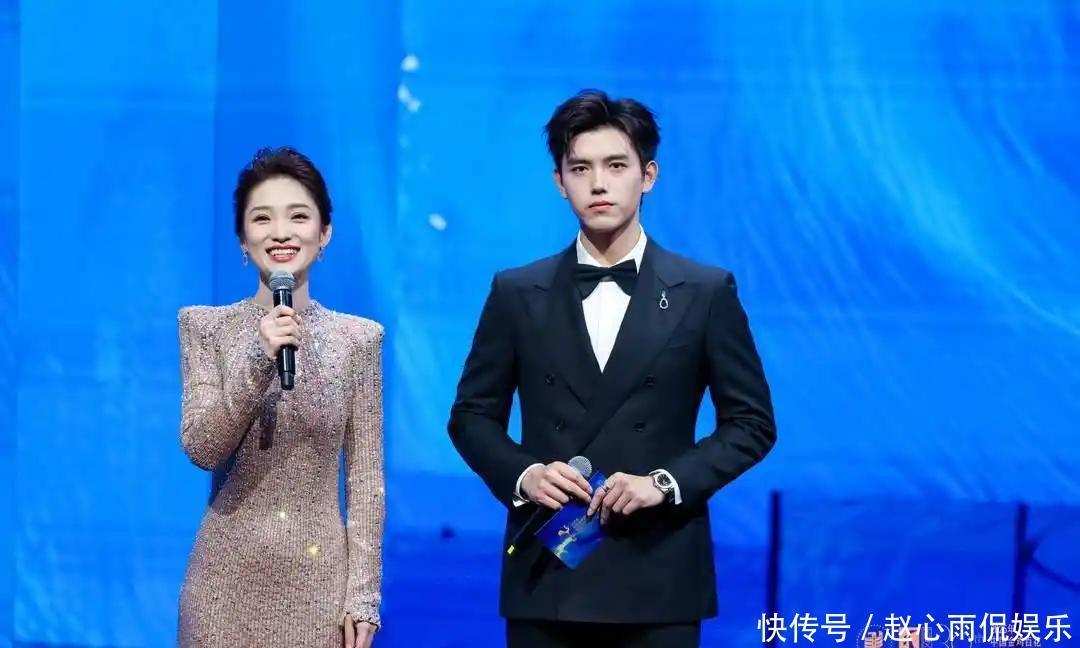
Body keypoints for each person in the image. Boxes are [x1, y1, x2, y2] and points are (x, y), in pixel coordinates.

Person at [448, 90, 777, 648]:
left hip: (659, 567)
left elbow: (752, 424)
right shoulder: (517, 292)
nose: (598, 183)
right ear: (559, 181)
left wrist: (664, 484)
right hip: (549, 566)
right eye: (581, 168)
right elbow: (471, 417)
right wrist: (526, 476)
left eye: (616, 166)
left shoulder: (704, 292)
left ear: (648, 176)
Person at [177, 147, 383, 648]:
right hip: (223, 587)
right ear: (242, 239)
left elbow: (364, 478)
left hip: (320, 587)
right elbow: (203, 448)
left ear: (324, 232)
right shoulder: (205, 329)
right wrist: (259, 356)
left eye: (298, 216)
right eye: (262, 218)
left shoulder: (359, 340)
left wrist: (363, 595)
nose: (281, 232)